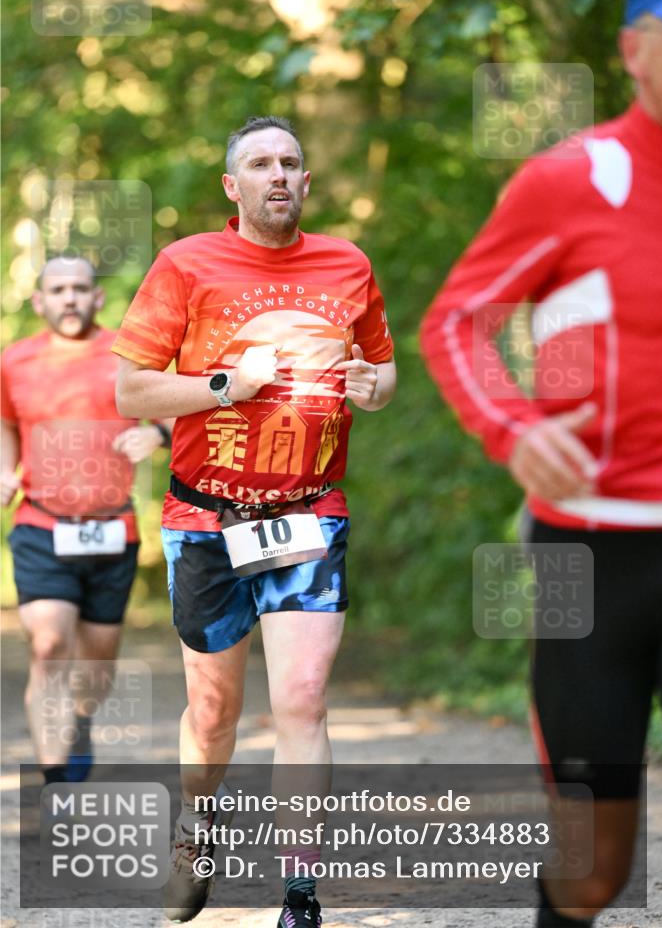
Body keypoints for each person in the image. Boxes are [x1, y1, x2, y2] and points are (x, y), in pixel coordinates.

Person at [420, 0, 662, 928]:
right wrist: (510, 427)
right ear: (634, 49)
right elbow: (457, 321)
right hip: (590, 555)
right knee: (588, 871)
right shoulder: (570, 180)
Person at [113, 115, 396, 927]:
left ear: (307, 182)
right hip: (207, 519)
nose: (279, 175)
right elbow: (132, 392)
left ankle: (300, 895)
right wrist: (223, 387)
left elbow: (380, 371)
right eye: (260, 165)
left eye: (291, 163)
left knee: (303, 699)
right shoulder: (185, 265)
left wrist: (377, 389)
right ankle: (197, 826)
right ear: (233, 187)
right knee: (214, 713)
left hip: (310, 514)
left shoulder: (347, 263)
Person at [1, 256, 172, 786]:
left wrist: (157, 436)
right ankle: (56, 780)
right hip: (40, 523)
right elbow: (5, 423)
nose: (70, 298)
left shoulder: (129, 357)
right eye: (58, 290)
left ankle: (79, 720)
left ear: (98, 298)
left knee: (97, 663)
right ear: (40, 301)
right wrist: (5, 471)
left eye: (80, 288)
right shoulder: (15, 361)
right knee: (48, 645)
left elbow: (176, 417)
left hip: (111, 528)